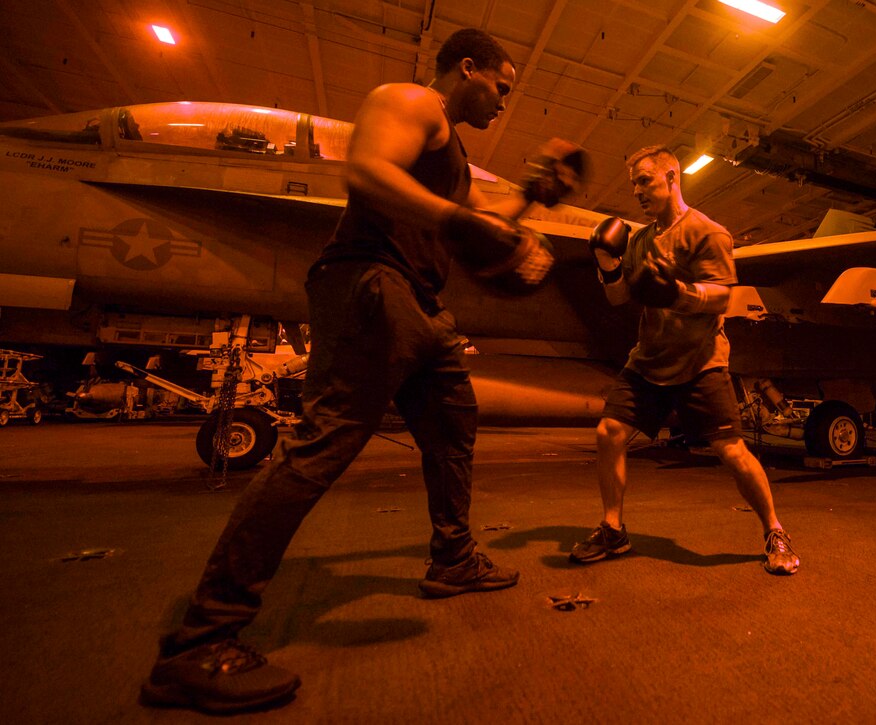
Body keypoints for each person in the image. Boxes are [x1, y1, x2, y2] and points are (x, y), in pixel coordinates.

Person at [141, 27, 584, 715]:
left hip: (417, 302)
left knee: (451, 426)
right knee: (324, 442)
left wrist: (530, 195)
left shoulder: (450, 151)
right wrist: (459, 220)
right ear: (466, 68)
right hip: (372, 282)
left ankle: (453, 558)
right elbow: (367, 173)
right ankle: (202, 639)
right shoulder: (411, 102)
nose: (503, 101)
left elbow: (468, 227)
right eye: (501, 84)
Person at [570, 144, 800, 576]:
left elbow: (722, 297)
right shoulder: (638, 241)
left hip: (700, 361)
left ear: (672, 177)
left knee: (731, 451)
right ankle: (613, 528)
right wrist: (606, 264)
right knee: (609, 432)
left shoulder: (706, 232)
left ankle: (774, 529)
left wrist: (678, 292)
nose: (636, 190)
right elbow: (618, 297)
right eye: (633, 183)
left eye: (644, 180)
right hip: (648, 361)